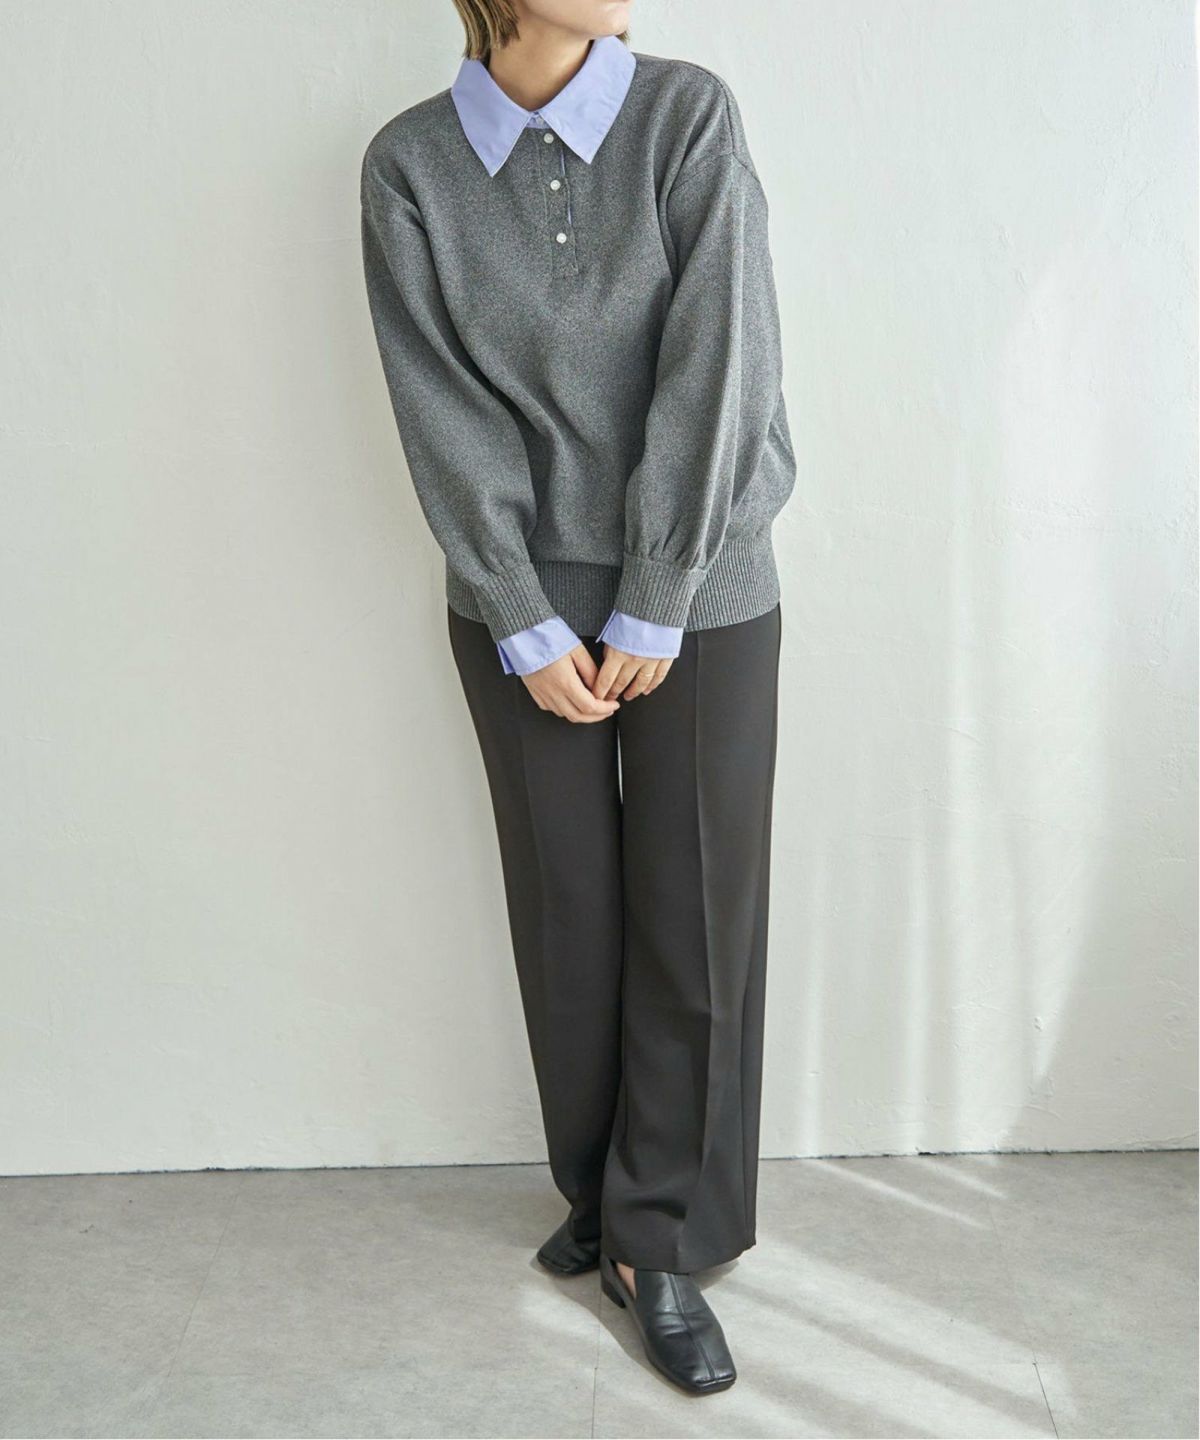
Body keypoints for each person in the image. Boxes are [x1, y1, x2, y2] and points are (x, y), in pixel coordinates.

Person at [360, 0, 795, 1395]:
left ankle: (659, 1236)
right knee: (568, 908)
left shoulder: (685, 114)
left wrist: (659, 584)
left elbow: (722, 355)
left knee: (695, 906)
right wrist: (520, 608)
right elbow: (437, 404)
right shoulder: (411, 165)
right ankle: (601, 1193)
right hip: (520, 598)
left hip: (702, 580)